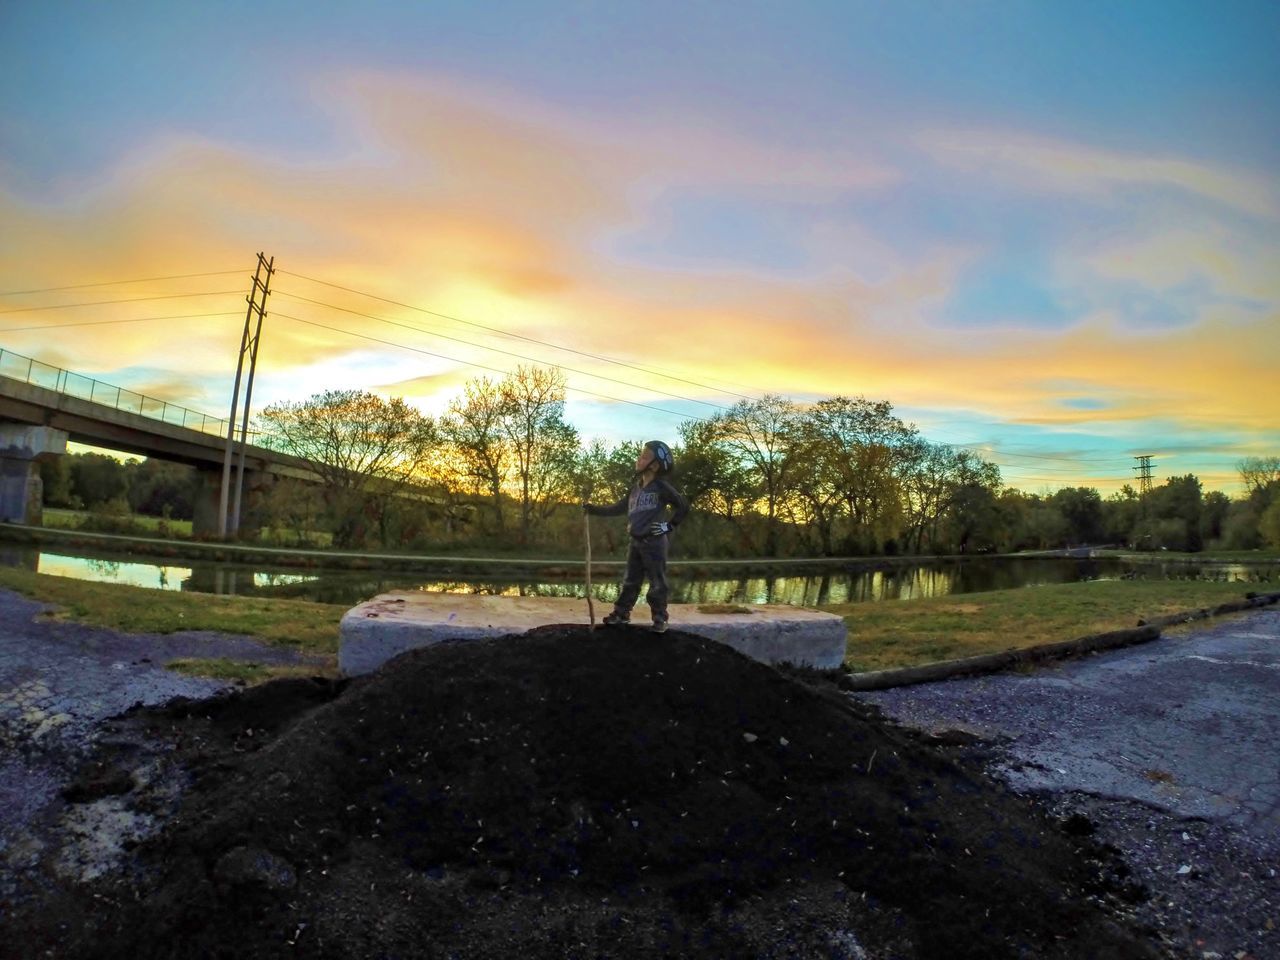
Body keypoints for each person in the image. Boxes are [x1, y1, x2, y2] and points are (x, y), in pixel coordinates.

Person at [583, 439, 689, 633]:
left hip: (654, 542)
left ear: (655, 465)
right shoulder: (636, 488)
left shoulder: (661, 487)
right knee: (630, 581)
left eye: (644, 456)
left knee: (657, 582)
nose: (639, 459)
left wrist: (669, 526)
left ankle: (660, 618)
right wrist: (594, 509)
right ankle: (622, 614)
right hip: (635, 542)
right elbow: (619, 508)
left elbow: (682, 506)